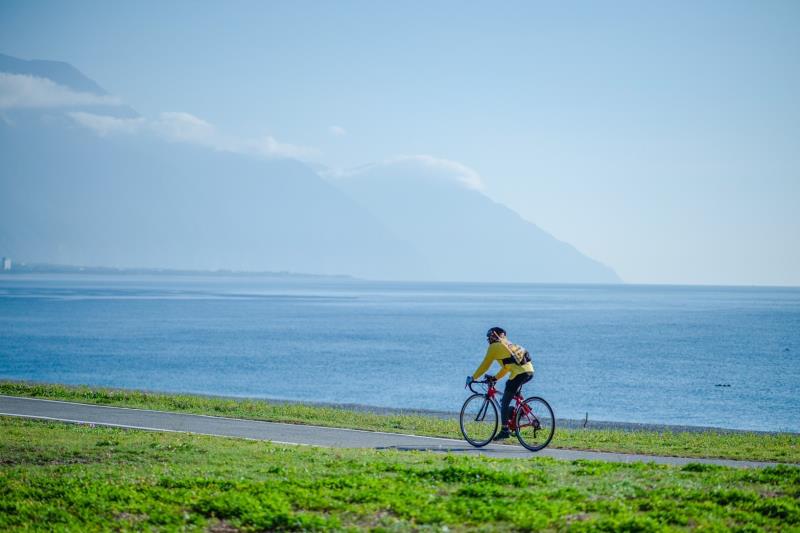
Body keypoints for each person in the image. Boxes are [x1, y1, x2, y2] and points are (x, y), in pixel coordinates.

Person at [466, 326, 534, 440]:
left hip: (519, 374)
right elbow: (507, 367)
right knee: (512, 395)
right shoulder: (508, 345)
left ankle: (504, 430)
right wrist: (495, 378)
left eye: (489, 338)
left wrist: (473, 377)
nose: (488, 341)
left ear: (493, 336)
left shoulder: (494, 347)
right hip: (529, 371)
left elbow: (485, 365)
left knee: (504, 403)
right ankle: (522, 411)